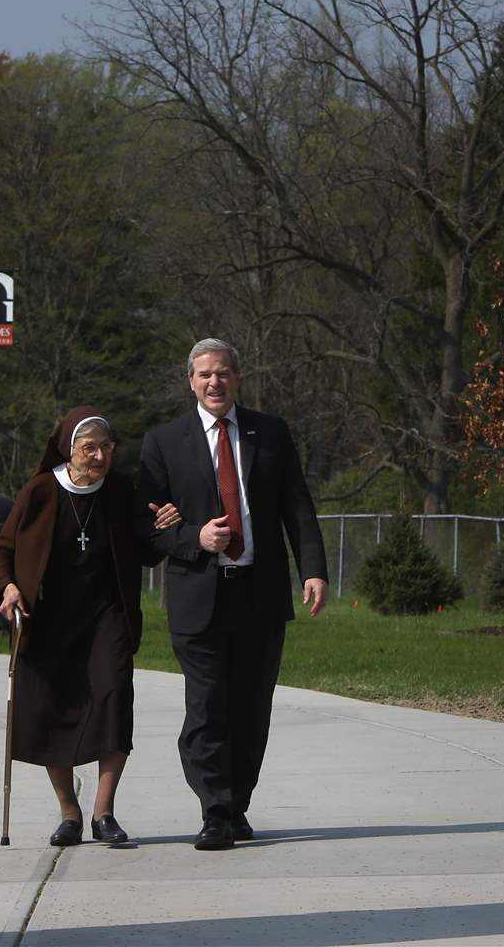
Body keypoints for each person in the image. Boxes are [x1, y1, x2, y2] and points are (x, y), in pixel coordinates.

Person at [137, 338, 328, 850]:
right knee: (207, 707)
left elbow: (297, 507)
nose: (213, 382)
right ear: (190, 382)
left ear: (237, 377)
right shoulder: (163, 443)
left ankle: (237, 803)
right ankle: (215, 810)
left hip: (259, 594)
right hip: (198, 597)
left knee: (251, 709)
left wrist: (313, 570)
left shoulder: (271, 432)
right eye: (204, 375)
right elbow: (148, 531)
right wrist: (193, 537)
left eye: (222, 373)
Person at [0, 406, 181, 846]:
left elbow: (145, 552)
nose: (99, 456)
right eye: (89, 448)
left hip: (105, 616)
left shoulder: (118, 491)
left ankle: (104, 812)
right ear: (68, 449)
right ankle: (69, 812)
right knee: (50, 710)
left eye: (106, 447)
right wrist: (9, 588)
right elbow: (1, 552)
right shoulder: (39, 492)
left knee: (113, 696)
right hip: (49, 617)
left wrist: (162, 528)